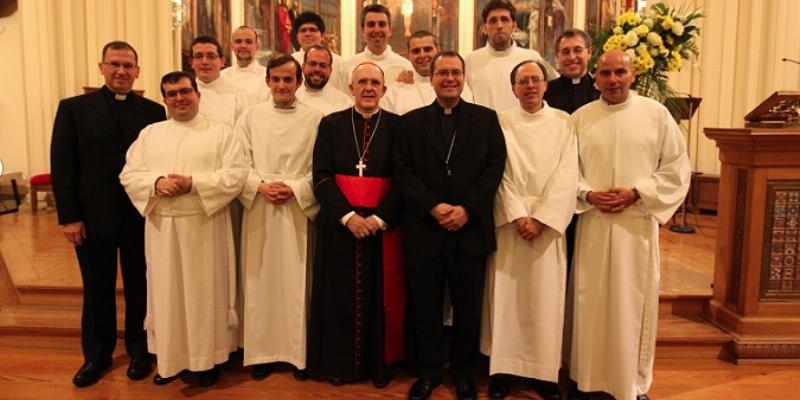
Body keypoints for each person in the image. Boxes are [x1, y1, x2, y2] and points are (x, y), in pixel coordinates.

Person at [569, 50, 691, 400]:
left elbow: (676, 169)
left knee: (631, 304)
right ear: (595, 79)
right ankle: (586, 380)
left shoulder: (656, 115)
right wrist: (588, 194)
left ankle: (632, 385)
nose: (613, 80)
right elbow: (566, 171)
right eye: (605, 73)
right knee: (590, 302)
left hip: (635, 227)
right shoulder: (581, 118)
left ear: (633, 74)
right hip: (594, 223)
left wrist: (637, 193)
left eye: (620, 71)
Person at [119, 71, 247, 387]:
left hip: (204, 225)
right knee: (167, 294)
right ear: (165, 99)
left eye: (185, 91)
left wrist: (194, 184)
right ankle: (171, 360)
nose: (180, 98)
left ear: (197, 95)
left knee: (204, 295)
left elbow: (236, 174)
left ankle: (207, 362)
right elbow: (129, 174)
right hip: (163, 228)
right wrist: (155, 182)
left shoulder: (222, 133)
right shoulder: (150, 134)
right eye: (172, 93)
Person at [50, 41, 166, 388]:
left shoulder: (153, 112)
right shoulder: (73, 109)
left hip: (139, 216)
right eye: (114, 64)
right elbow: (62, 165)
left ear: (138, 71)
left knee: (140, 286)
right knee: (97, 287)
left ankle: (139, 350)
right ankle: (97, 355)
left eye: (128, 66)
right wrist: (69, 217)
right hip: (91, 215)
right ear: (101, 67)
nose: (121, 71)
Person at [396, 51, 507, 400]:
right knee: (425, 307)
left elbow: (494, 169)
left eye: (455, 73)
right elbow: (403, 172)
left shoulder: (486, 120)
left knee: (467, 307)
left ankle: (463, 373)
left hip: (469, 230)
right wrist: (433, 206)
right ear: (431, 79)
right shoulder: (410, 122)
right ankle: (428, 372)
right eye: (442, 73)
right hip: (425, 229)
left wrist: (468, 209)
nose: (449, 78)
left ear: (463, 78)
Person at [479, 60, 577, 400]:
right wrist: (518, 214)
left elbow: (568, 174)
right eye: (523, 81)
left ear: (546, 85)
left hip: (548, 226)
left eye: (536, 80)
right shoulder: (500, 123)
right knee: (507, 299)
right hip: (511, 224)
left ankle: (545, 373)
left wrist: (544, 217)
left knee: (545, 300)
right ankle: (504, 370)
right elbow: (497, 172)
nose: (531, 86)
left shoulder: (564, 123)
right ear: (513, 88)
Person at [307, 62, 404, 389]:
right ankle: (340, 365)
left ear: (384, 90)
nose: (368, 88)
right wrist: (348, 217)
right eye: (362, 81)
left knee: (382, 297)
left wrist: (377, 219)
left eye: (375, 82)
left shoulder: (398, 127)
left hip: (382, 226)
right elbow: (320, 176)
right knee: (338, 296)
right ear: (351, 88)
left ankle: (381, 364)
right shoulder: (331, 125)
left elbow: (406, 180)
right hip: (340, 226)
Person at [235, 54, 323, 381]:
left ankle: (299, 353)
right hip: (261, 207)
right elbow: (237, 162)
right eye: (276, 79)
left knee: (299, 283)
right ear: (268, 81)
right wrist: (259, 186)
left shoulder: (316, 119)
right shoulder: (250, 117)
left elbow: (322, 166)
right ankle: (262, 353)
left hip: (297, 209)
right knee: (261, 283)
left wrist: (297, 187)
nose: (282, 85)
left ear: (299, 83)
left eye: (289, 79)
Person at [465, 0, 557, 112]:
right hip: (484, 127)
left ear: (514, 25)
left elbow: (558, 86)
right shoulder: (470, 61)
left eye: (504, 19)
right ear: (485, 28)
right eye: (493, 21)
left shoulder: (532, 58)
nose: (499, 26)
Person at [381, 30, 474, 115]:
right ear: (408, 55)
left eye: (427, 49)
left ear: (438, 50)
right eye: (416, 51)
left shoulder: (456, 86)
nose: (422, 55)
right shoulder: (395, 91)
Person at [189, 36, 252, 127]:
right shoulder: (183, 96)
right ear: (191, 62)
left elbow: (245, 132)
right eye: (198, 56)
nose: (204, 62)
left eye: (211, 56)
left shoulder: (239, 94)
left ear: (222, 61)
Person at [347, 4, 413, 84]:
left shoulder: (405, 66)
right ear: (363, 31)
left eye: (382, 24)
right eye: (371, 25)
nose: (377, 30)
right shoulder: (349, 66)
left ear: (389, 30)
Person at [543, 28, 599, 114]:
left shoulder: (601, 90)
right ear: (557, 57)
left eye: (578, 50)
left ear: (589, 52)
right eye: (565, 52)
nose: (572, 57)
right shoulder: (545, 92)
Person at [291, 11, 350, 94]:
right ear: (297, 36)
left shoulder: (340, 63)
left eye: (313, 30)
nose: (307, 34)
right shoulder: (290, 62)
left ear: (322, 35)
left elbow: (348, 94)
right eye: (303, 30)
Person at [295, 45, 353, 115]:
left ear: (330, 70)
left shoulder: (345, 103)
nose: (317, 69)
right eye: (312, 64)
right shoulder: (292, 98)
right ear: (303, 67)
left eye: (323, 65)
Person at [221, 25, 271, 103]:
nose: (243, 45)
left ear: (257, 46)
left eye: (248, 42)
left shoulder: (268, 76)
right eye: (238, 41)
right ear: (231, 46)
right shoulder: (222, 77)